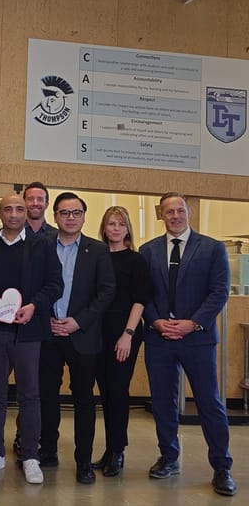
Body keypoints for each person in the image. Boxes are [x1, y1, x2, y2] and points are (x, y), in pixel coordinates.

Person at [139, 192, 236, 496]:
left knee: (209, 403)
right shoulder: (148, 250)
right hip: (159, 338)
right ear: (161, 215)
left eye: (180, 210)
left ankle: (222, 466)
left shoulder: (212, 248)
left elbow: (219, 293)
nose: (176, 216)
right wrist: (155, 321)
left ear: (188, 212)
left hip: (198, 339)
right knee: (163, 402)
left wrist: (191, 324)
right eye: (169, 212)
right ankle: (169, 457)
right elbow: (144, 294)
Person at [0, 194, 63, 484]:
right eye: (8, 209)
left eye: (19, 209)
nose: (13, 213)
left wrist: (34, 306)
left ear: (28, 214)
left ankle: (31, 456)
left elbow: (55, 284)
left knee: (30, 395)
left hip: (28, 332)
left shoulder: (43, 245)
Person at [38, 192, 115, 484]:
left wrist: (77, 322)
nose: (70, 218)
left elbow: (106, 291)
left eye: (76, 212)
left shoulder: (98, 250)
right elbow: (32, 284)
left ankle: (83, 461)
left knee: (84, 400)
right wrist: (45, 317)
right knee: (46, 395)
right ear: (55, 216)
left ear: (84, 216)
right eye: (64, 212)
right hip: (47, 333)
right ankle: (47, 451)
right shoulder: (41, 245)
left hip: (82, 336)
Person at [92, 206, 150, 477]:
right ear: (104, 228)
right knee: (105, 393)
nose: (115, 228)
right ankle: (110, 448)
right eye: (110, 223)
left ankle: (118, 451)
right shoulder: (96, 256)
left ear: (128, 229)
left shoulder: (135, 260)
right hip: (97, 330)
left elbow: (140, 299)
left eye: (120, 224)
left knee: (118, 391)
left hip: (123, 330)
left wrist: (127, 334)